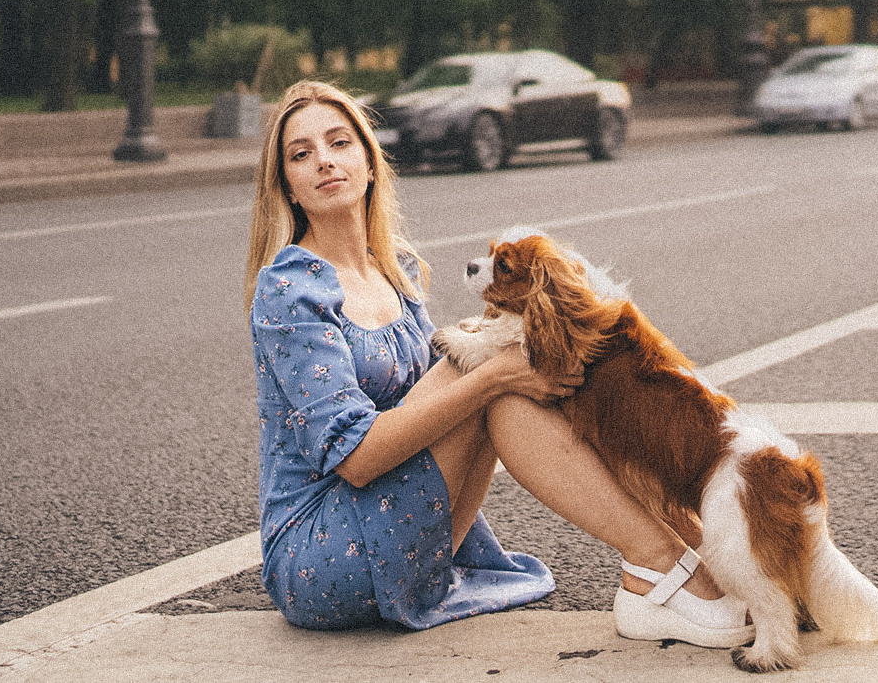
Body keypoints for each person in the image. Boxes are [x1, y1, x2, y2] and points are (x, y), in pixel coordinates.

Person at [245, 80, 752, 645]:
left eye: (339, 143)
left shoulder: (396, 273)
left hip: (409, 526)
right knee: (492, 371)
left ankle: (699, 550)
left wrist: (500, 366)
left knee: (502, 359)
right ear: (287, 186)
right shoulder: (291, 291)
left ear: (369, 163)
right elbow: (358, 461)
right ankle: (662, 562)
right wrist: (491, 375)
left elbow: (431, 405)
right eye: (301, 154)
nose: (324, 161)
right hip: (320, 557)